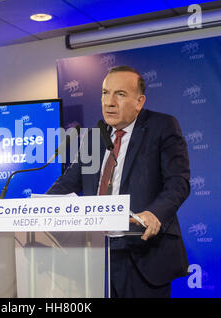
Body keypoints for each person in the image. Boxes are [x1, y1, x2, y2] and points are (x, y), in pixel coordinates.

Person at [47, 65, 190, 298]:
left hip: (142, 252)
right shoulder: (95, 136)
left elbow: (178, 182)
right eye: (105, 93)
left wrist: (155, 213)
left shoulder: (161, 127)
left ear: (139, 101)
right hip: (95, 255)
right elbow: (68, 183)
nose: (109, 102)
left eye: (120, 94)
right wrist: (35, 208)